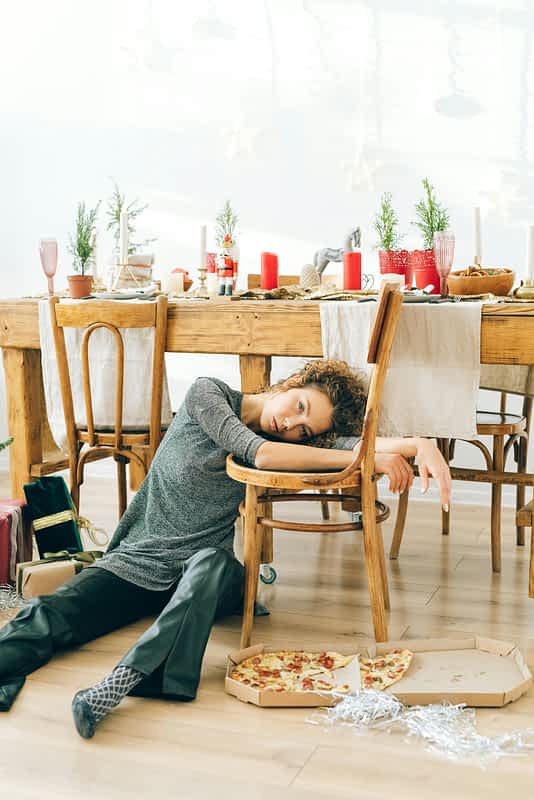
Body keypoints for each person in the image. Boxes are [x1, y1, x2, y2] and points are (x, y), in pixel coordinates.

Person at [0, 359, 450, 738]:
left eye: (304, 430)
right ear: (292, 383)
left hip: (210, 578)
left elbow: (355, 444)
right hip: (138, 562)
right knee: (51, 613)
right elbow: (265, 455)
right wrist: (369, 459)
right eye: (300, 407)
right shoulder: (208, 395)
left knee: (212, 561)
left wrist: (418, 445)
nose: (292, 425)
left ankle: (123, 680)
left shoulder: (286, 442)